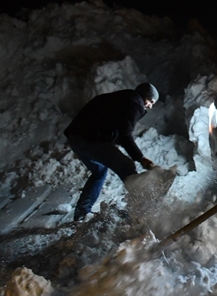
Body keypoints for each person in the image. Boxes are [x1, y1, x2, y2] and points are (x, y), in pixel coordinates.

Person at [64, 83, 159, 221]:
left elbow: (115, 127)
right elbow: (125, 135)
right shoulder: (135, 103)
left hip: (76, 137)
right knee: (127, 167)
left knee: (99, 171)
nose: (150, 106)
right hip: (89, 139)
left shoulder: (124, 97)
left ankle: (82, 213)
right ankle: (143, 211)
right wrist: (140, 158)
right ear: (145, 96)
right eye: (151, 102)